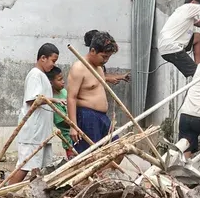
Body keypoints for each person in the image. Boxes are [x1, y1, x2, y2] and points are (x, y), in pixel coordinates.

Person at [8, 43, 59, 185]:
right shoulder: (35, 75)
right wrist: (54, 100)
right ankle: (5, 194)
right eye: (53, 61)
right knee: (25, 165)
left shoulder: (41, 75)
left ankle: (33, 194)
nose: (53, 65)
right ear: (43, 58)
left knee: (36, 167)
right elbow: (33, 99)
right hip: (33, 132)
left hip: (41, 132)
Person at [68, 30, 119, 153]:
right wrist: (73, 126)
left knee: (117, 148)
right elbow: (71, 97)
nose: (106, 60)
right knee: (89, 155)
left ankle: (102, 172)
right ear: (93, 51)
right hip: (87, 117)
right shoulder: (79, 68)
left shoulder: (99, 68)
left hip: (102, 118)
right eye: (104, 56)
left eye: (108, 57)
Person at [46, 66, 75, 158]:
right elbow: (62, 122)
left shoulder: (63, 92)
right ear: (51, 83)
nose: (63, 81)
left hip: (78, 135)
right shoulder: (51, 101)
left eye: (63, 79)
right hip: (69, 140)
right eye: (59, 79)